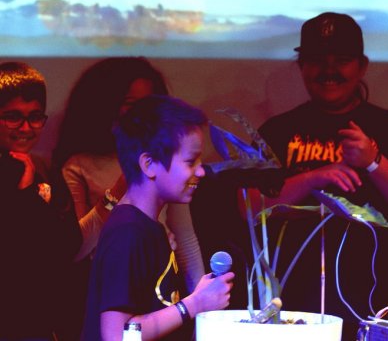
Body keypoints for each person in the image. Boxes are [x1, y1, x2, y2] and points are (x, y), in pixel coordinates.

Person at [253, 12, 388, 339]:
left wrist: (374, 162)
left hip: (374, 303)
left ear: (361, 66)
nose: (329, 71)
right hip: (288, 306)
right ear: (301, 66)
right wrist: (313, 178)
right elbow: (248, 207)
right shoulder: (277, 131)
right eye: (317, 61)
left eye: (342, 61)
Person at [81, 95, 233, 341]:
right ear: (149, 164)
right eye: (190, 161)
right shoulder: (127, 232)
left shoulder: (148, 227)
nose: (202, 171)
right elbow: (118, 336)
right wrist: (193, 305)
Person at [52, 57, 203, 275]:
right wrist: (116, 194)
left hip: (159, 275)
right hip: (110, 275)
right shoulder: (78, 166)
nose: (144, 114)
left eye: (150, 103)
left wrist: (201, 302)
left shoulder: (163, 160)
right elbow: (75, 248)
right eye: (132, 104)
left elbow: (185, 237)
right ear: (109, 108)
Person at [0, 61, 81, 340]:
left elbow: (70, 241)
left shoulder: (45, 169)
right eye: (13, 116)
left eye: (35, 117)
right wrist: (24, 194)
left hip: (40, 319)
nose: (25, 127)